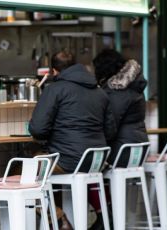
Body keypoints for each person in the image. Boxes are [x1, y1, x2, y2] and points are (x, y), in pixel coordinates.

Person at [29, 50, 116, 230]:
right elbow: (111, 131)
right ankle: (56, 220)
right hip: (95, 161)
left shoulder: (54, 90)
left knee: (24, 170)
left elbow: (37, 129)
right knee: (48, 172)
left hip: (68, 161)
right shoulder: (100, 92)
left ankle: (59, 220)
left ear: (54, 71)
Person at [87, 49, 149, 230]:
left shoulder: (117, 91)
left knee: (82, 164)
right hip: (135, 148)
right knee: (88, 162)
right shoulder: (132, 85)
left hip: (123, 150)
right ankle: (107, 213)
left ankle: (105, 214)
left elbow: (110, 126)